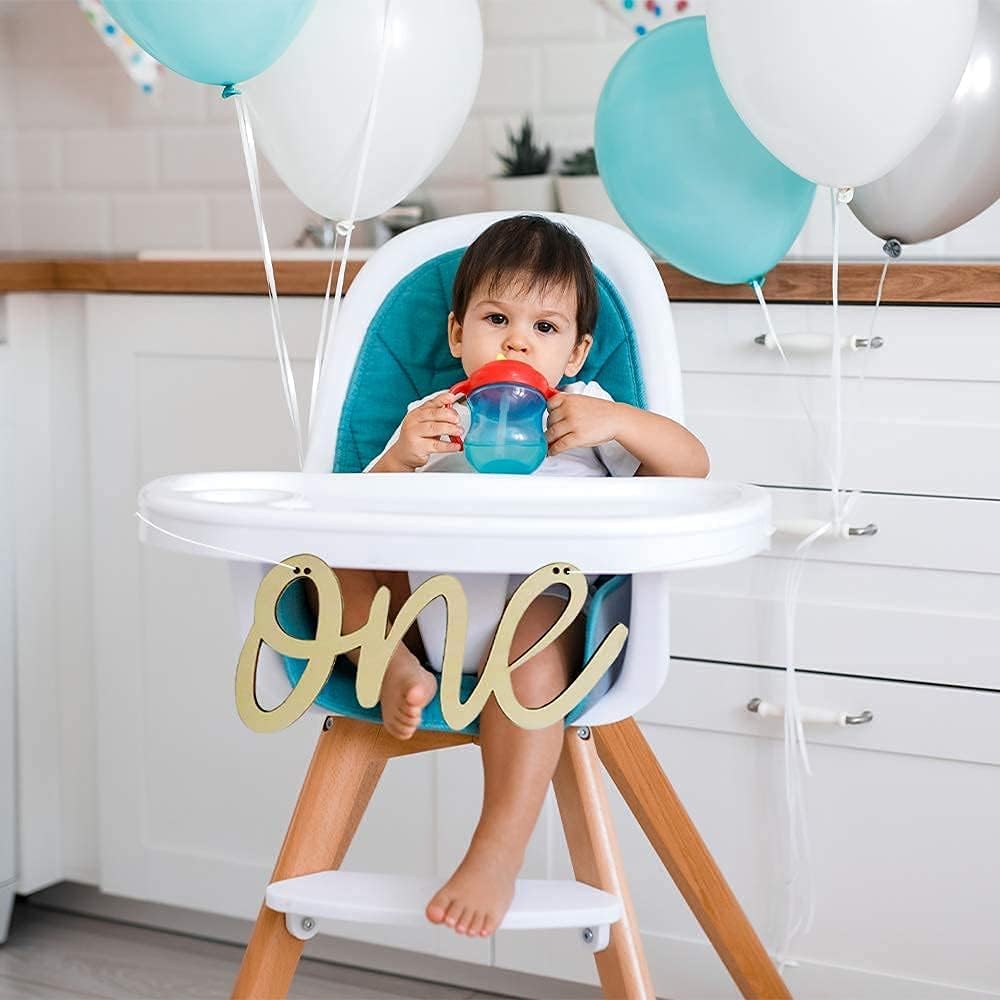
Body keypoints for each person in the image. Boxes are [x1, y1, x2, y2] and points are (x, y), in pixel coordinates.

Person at [323, 215, 708, 939]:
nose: (517, 340)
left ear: (577, 349)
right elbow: (355, 510)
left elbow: (691, 467)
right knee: (325, 562)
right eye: (496, 317)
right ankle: (390, 666)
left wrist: (619, 420)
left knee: (537, 640)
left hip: (535, 622)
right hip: (422, 611)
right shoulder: (435, 417)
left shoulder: (584, 417)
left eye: (545, 325)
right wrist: (402, 457)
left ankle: (496, 850)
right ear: (456, 333)